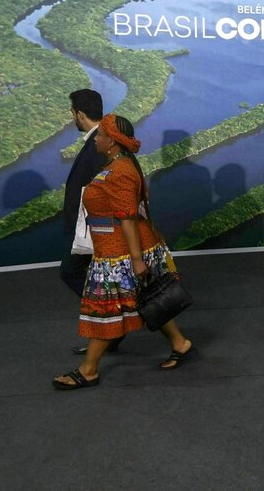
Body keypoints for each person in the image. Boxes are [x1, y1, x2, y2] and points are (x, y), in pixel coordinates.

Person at [52, 114, 194, 389]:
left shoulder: (121, 172)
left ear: (113, 143)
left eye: (101, 135)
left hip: (121, 254)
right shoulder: (117, 165)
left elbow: (127, 218)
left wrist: (137, 260)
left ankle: (89, 369)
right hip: (115, 248)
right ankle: (180, 342)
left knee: (106, 311)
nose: (97, 138)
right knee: (147, 298)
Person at [59, 89, 117, 355]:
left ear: (79, 114)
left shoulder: (98, 144)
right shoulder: (101, 138)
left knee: (72, 272)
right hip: (94, 228)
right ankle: (112, 328)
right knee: (93, 279)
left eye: (72, 112)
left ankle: (112, 322)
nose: (73, 116)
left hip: (94, 229)